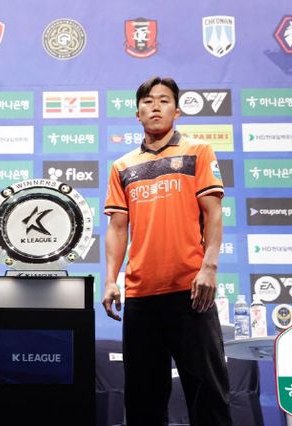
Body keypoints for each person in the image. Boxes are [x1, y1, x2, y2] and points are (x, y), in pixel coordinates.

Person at [102, 76, 232, 425]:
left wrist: (209, 268)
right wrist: (110, 280)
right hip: (141, 297)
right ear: (137, 114)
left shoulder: (198, 151)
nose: (155, 106)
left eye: (163, 100)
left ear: (177, 111)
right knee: (143, 403)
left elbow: (213, 213)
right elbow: (117, 228)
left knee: (209, 398)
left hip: (191, 293)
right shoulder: (122, 166)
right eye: (147, 101)